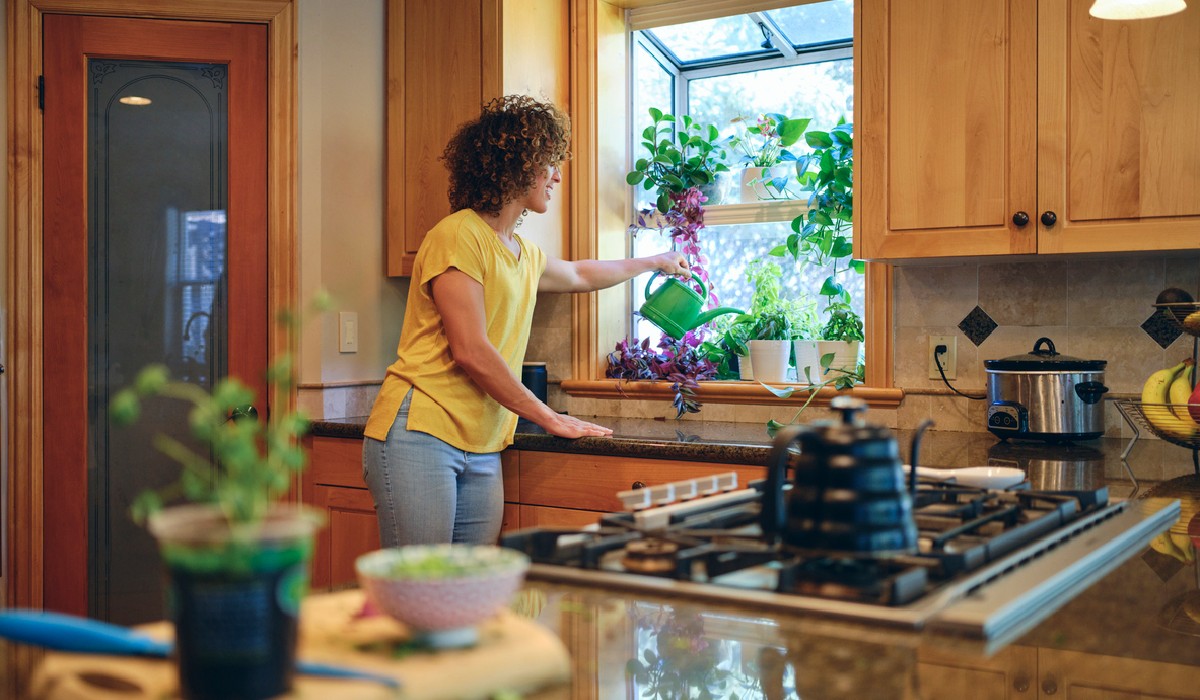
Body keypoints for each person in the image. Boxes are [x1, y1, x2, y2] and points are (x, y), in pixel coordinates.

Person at [362, 95, 689, 547]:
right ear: (516, 164)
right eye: (549, 163)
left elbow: (580, 273)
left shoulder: (521, 252)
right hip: (421, 431)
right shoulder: (458, 235)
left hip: (483, 442)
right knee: (421, 592)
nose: (556, 176)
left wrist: (655, 260)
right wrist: (547, 415)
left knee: (471, 594)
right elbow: (471, 350)